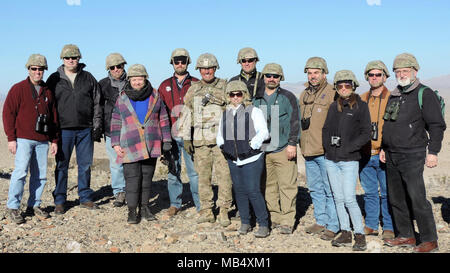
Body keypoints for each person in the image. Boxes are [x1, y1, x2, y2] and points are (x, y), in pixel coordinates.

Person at [381, 53, 446, 253]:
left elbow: (436, 125)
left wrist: (433, 151)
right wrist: (384, 147)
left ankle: (429, 240)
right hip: (392, 153)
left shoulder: (424, 93)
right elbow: (388, 124)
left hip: (412, 154)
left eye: (405, 71)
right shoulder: (395, 94)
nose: (401, 74)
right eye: (398, 71)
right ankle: (406, 235)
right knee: (397, 198)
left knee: (417, 198)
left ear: (414, 71)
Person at [110, 64, 172, 224]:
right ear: (129, 80)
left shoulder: (155, 96)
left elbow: (163, 118)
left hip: (151, 143)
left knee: (146, 179)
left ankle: (144, 208)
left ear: (146, 79)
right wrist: (115, 143)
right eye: (134, 79)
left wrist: (166, 140)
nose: (137, 82)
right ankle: (132, 211)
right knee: (132, 179)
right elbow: (116, 121)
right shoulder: (122, 98)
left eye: (140, 79)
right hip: (129, 144)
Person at [46, 44, 103, 214]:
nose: (71, 60)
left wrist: (97, 125)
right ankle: (60, 200)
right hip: (63, 130)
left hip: (85, 128)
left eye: (74, 57)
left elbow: (97, 102)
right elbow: (48, 105)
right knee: (61, 165)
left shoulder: (88, 78)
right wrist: (51, 131)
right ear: (62, 59)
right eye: (67, 58)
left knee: (85, 165)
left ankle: (85, 197)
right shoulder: (54, 79)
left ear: (79, 58)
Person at [2, 54, 59, 224]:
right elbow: (8, 114)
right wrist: (11, 138)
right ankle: (13, 207)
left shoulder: (48, 91)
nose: (37, 72)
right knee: (20, 173)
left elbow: (54, 117)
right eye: (34, 69)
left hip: (42, 141)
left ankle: (34, 205)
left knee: (40, 175)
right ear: (28, 69)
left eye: (41, 69)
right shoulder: (18, 89)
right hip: (23, 139)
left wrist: (54, 140)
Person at [179, 53, 233, 227]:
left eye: (210, 68)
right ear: (199, 70)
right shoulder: (193, 89)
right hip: (201, 141)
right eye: (203, 68)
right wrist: (186, 137)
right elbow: (186, 112)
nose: (207, 71)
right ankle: (207, 210)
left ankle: (224, 210)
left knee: (225, 177)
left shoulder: (225, 86)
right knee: (203, 178)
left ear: (215, 68)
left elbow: (233, 109)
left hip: (221, 141)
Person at [322, 70, 371, 251]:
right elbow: (326, 129)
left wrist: (350, 147)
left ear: (353, 86)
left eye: (347, 85)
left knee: (349, 198)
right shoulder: (334, 107)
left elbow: (366, 133)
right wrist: (328, 148)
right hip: (331, 160)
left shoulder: (361, 106)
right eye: (340, 86)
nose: (343, 88)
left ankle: (359, 235)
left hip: (349, 160)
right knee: (338, 198)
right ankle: (345, 232)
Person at [217, 81, 270, 238]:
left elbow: (264, 132)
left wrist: (253, 145)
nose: (235, 97)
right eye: (232, 94)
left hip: (252, 158)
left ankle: (263, 224)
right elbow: (220, 133)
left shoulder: (254, 111)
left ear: (244, 95)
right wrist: (222, 144)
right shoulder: (226, 113)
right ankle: (245, 222)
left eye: (238, 94)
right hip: (233, 159)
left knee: (253, 191)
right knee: (239, 191)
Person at [253, 63, 300, 235]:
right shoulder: (256, 99)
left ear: (281, 78)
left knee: (287, 186)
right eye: (268, 75)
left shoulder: (288, 97)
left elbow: (296, 121)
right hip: (263, 151)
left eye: (276, 76)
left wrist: (292, 143)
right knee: (268, 186)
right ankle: (274, 217)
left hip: (283, 149)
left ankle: (287, 221)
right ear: (263, 77)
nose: (272, 79)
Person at [299, 57, 339, 241]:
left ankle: (333, 225)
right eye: (310, 73)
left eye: (316, 72)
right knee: (315, 188)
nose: (313, 76)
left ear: (324, 73)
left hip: (325, 151)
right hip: (308, 150)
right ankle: (320, 221)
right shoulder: (304, 94)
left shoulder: (333, 93)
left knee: (330, 189)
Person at [158, 48, 201, 216]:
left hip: (192, 135)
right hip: (171, 136)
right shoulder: (164, 85)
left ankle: (200, 205)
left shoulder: (197, 83)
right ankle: (175, 204)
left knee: (194, 173)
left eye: (183, 60)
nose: (180, 64)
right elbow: (158, 113)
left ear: (188, 62)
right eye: (177, 61)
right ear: (172, 63)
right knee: (173, 171)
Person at [359, 60, 394, 239]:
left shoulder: (393, 98)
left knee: (388, 192)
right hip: (365, 154)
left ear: (385, 77)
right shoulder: (361, 98)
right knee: (370, 192)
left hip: (384, 154)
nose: (374, 77)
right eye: (371, 74)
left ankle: (388, 226)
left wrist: (387, 148)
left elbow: (395, 127)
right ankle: (372, 224)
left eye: (378, 74)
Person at [99, 53, 127, 207]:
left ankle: (133, 191)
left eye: (119, 66)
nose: (116, 69)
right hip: (111, 131)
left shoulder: (134, 82)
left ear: (124, 66)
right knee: (116, 163)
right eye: (112, 67)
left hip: (132, 130)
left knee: (132, 162)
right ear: (108, 69)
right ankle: (119, 192)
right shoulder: (102, 85)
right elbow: (97, 108)